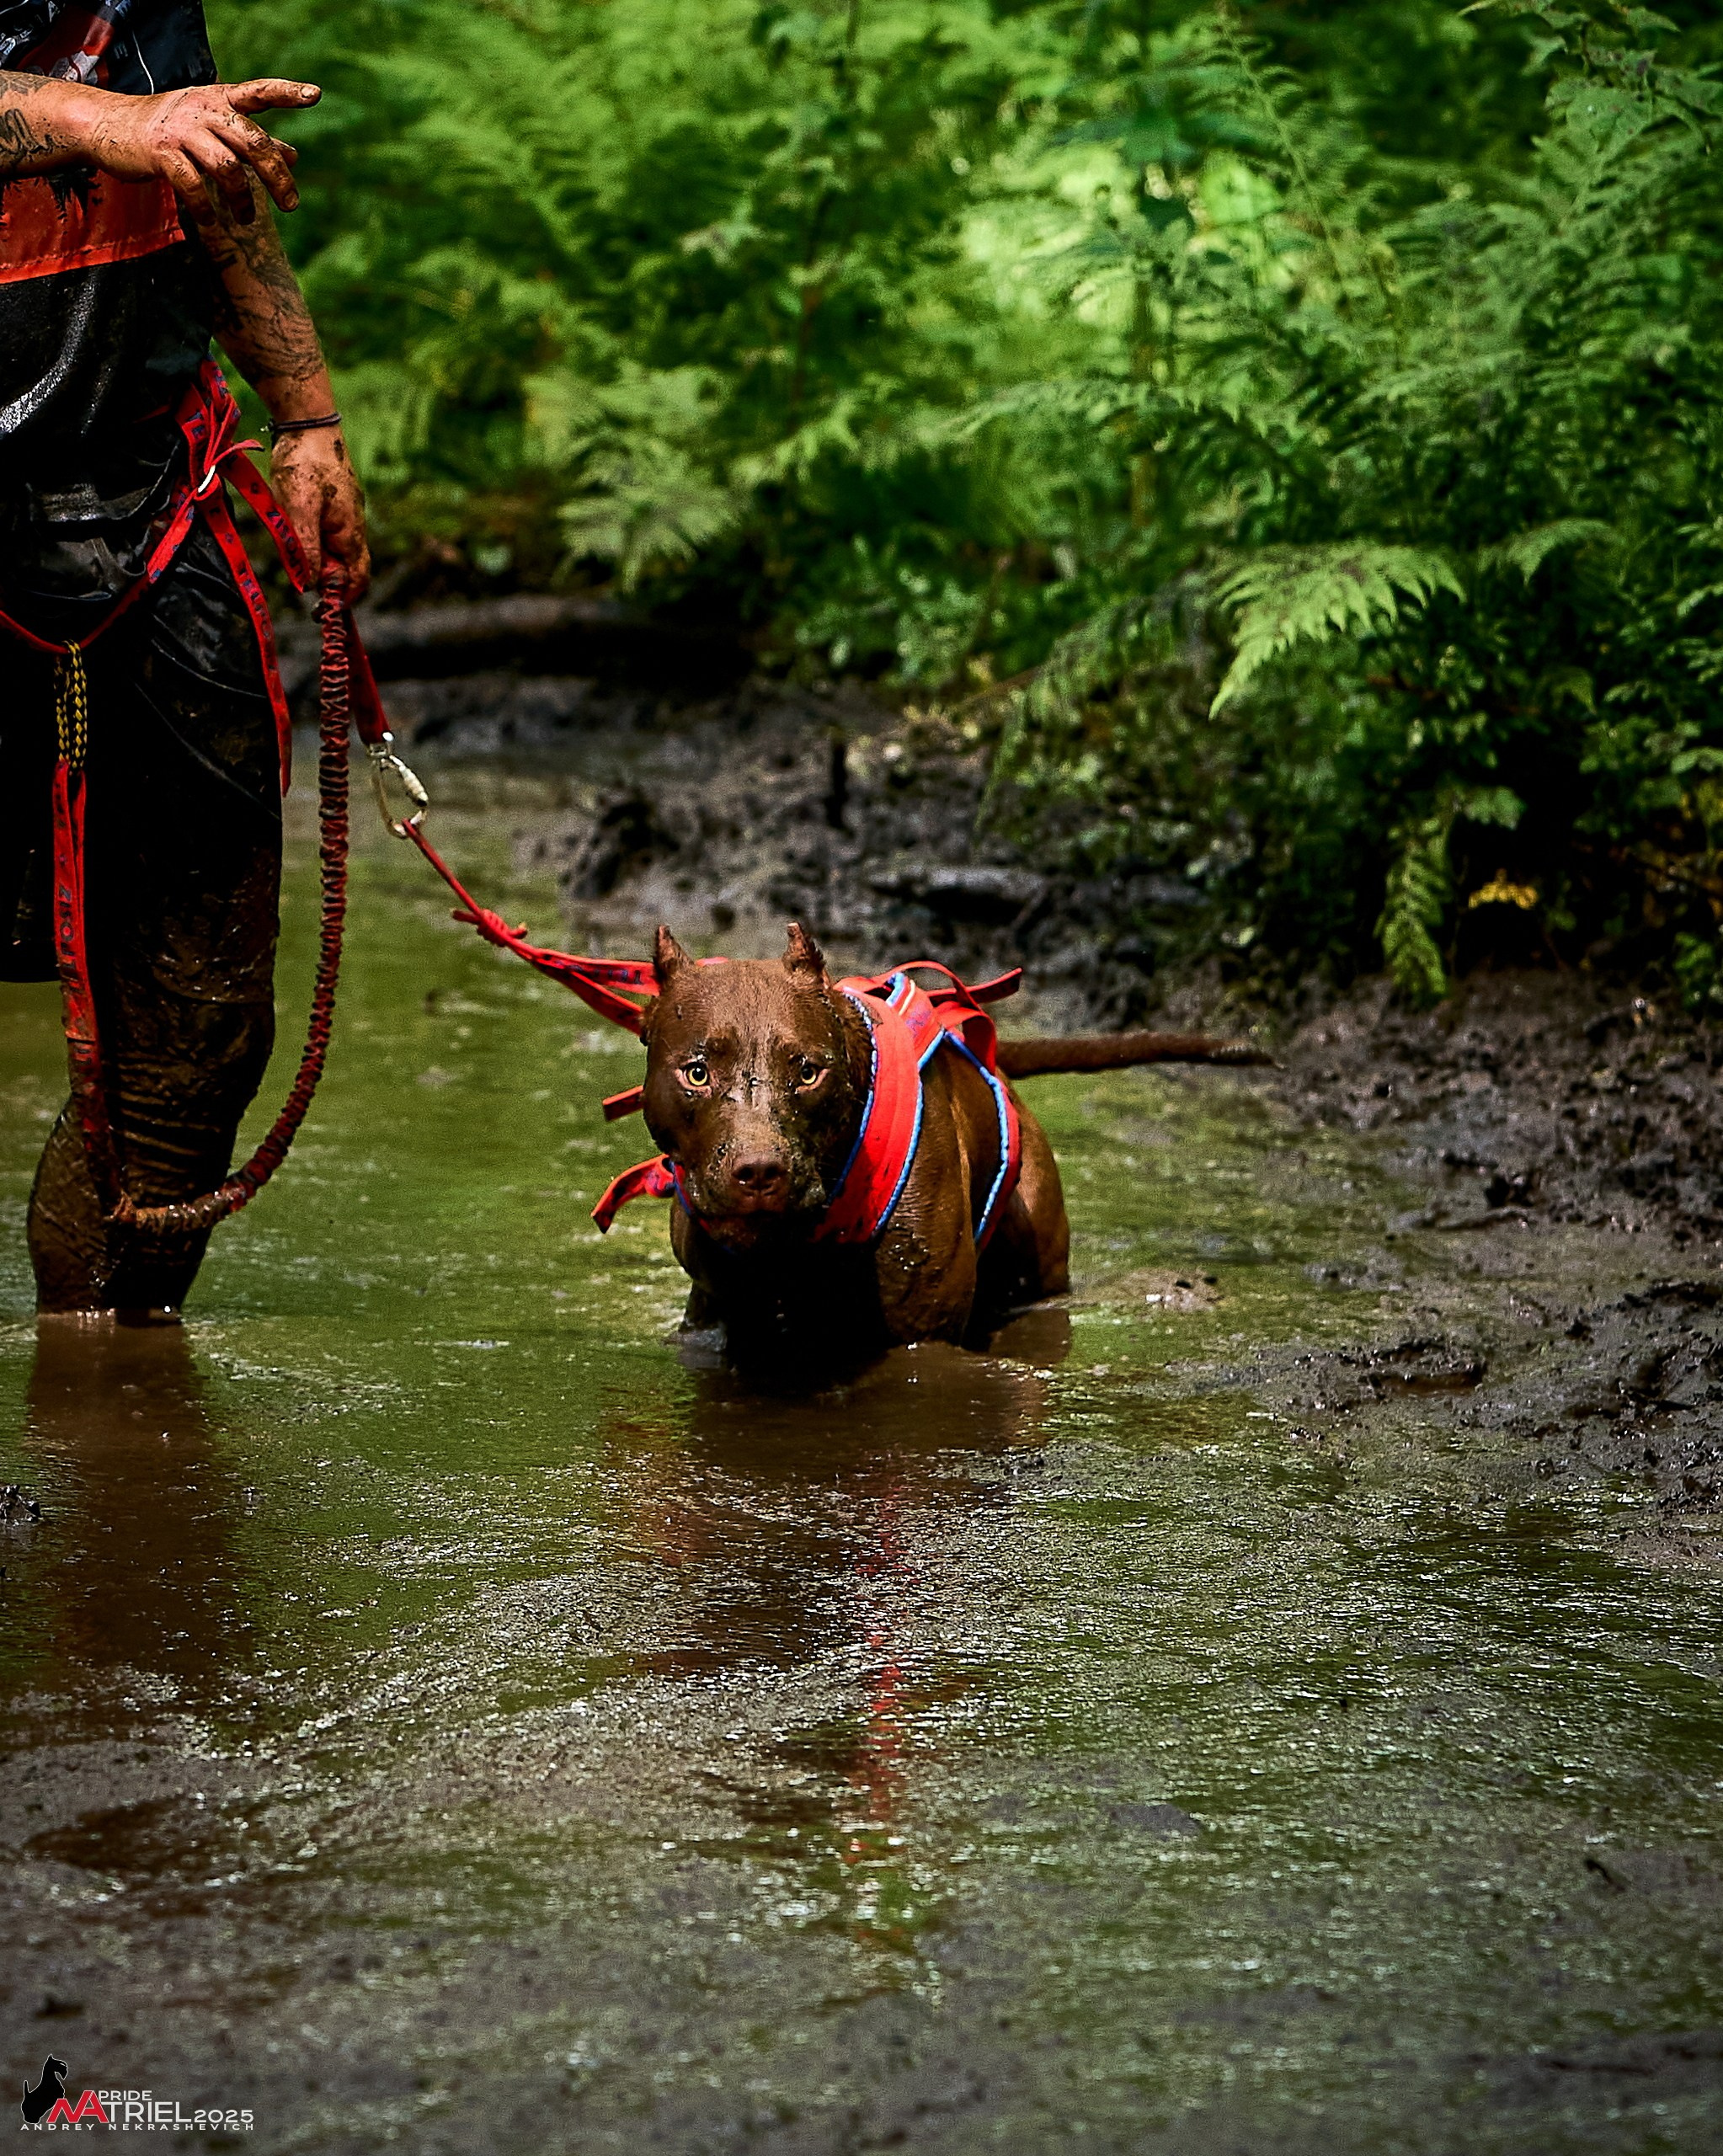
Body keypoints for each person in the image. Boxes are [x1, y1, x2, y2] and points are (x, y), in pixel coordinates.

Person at [0, 1, 368, 1317]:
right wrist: (109, 119)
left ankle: (105, 1367)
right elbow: (139, 126)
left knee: (200, 1018)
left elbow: (203, 180)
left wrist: (306, 418)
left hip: (150, 499)